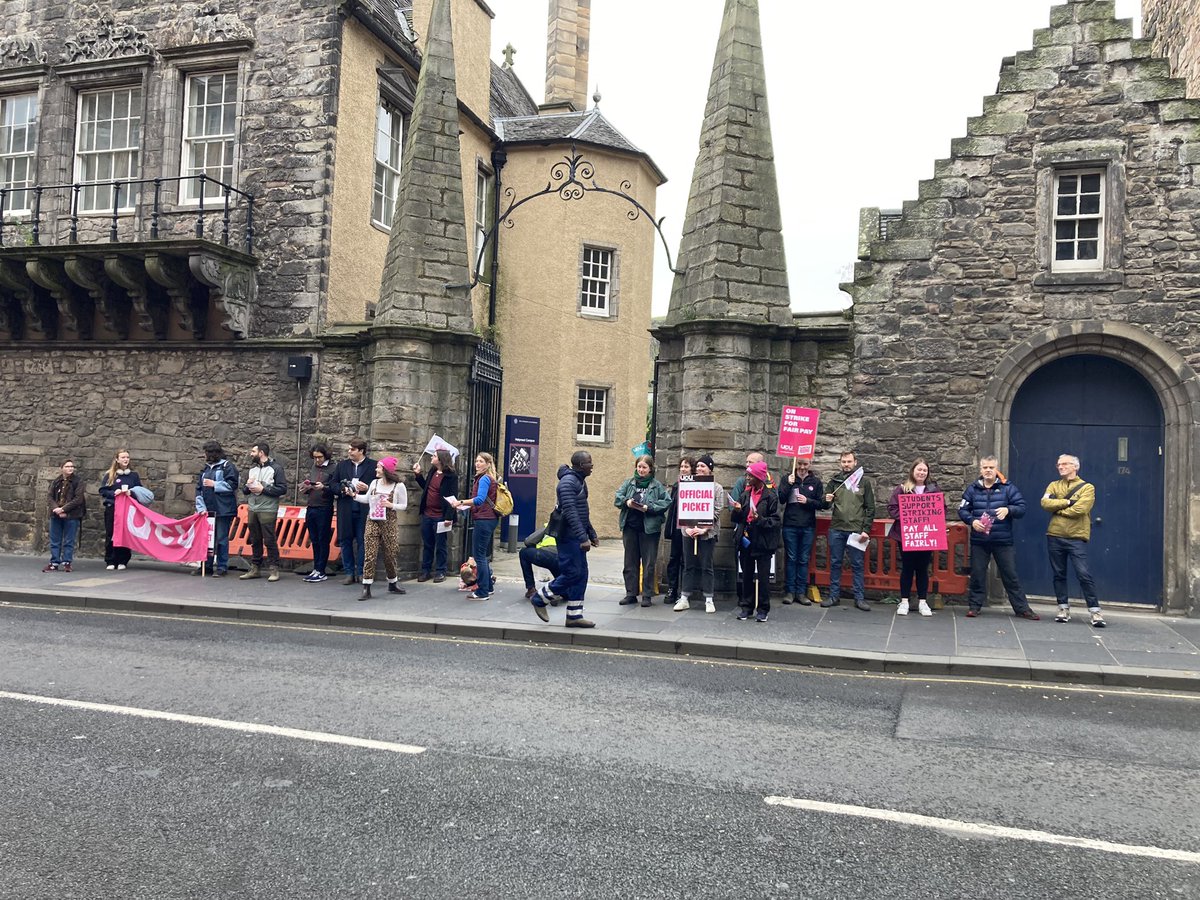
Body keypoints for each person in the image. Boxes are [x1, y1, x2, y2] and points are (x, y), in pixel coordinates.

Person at [958, 455, 1040, 620]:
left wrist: (1009, 510)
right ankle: (974, 607)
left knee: (1010, 575)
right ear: (980, 469)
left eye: (991, 468)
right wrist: (972, 521)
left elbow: (1022, 507)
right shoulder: (972, 489)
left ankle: (1022, 609)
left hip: (1003, 541)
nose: (988, 470)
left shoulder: (1008, 488)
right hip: (979, 541)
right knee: (977, 574)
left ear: (996, 469)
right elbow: (962, 510)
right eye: (985, 468)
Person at [532, 451, 600, 626]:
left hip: (576, 536)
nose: (592, 466)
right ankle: (540, 598)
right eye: (589, 463)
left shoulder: (579, 481)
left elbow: (582, 512)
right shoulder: (568, 483)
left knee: (582, 574)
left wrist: (590, 533)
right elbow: (570, 512)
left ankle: (574, 616)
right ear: (579, 465)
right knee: (572, 573)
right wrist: (581, 537)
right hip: (568, 538)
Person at [1040, 454, 1106, 628]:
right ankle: (1063, 608)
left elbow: (1080, 509)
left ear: (1075, 467)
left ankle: (1094, 610)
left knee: (1083, 574)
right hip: (1054, 535)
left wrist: (1059, 509)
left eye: (1064, 464)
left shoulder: (1087, 488)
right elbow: (1045, 503)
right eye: (1058, 464)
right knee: (1059, 574)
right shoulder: (1054, 485)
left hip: (1076, 537)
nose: (1060, 467)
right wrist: (1068, 501)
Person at [614, 454, 672, 607]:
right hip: (630, 527)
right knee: (630, 562)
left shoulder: (656, 485)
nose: (641, 470)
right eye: (639, 466)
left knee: (648, 563)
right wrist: (626, 501)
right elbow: (617, 497)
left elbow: (666, 501)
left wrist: (650, 507)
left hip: (649, 530)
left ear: (650, 469)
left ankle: (647, 595)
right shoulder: (629, 483)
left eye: (644, 467)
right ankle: (630, 593)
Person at [821, 450, 875, 611]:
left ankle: (859, 598)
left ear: (855, 462)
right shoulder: (835, 481)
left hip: (856, 530)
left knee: (857, 564)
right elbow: (824, 504)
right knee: (835, 563)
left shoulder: (864, 482)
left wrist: (866, 529)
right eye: (844, 461)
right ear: (840, 463)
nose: (846, 464)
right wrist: (826, 500)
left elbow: (870, 508)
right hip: (836, 528)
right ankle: (833, 596)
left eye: (849, 461)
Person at [886, 458, 941, 617]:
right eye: (919, 470)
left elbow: (940, 509)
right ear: (913, 471)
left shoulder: (934, 489)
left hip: (926, 535)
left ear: (928, 472)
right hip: (906, 536)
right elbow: (892, 508)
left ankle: (923, 601)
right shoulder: (902, 489)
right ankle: (904, 601)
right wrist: (910, 517)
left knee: (923, 569)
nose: (922, 473)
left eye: (924, 470)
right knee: (908, 568)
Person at [731, 460, 782, 622]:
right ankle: (746, 606)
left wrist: (759, 519)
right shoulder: (745, 494)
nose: (747, 478)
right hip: (747, 540)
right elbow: (738, 519)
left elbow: (776, 521)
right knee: (746, 575)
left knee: (763, 577)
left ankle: (763, 609)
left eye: (750, 475)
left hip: (763, 542)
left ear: (758, 477)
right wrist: (738, 510)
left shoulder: (771, 496)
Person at [674, 454, 725, 614]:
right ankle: (684, 598)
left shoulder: (717, 487)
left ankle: (709, 599)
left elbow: (717, 509)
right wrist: (686, 528)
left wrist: (704, 528)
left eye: (703, 466)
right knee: (688, 565)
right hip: (688, 533)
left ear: (710, 468)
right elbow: (682, 508)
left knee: (706, 566)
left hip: (707, 534)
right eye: (698, 466)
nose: (699, 469)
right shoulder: (687, 484)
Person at [355, 456, 408, 600]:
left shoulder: (399, 486)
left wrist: (392, 505)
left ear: (386, 470)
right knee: (370, 553)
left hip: (389, 522)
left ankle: (392, 581)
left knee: (390, 554)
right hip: (372, 520)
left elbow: (404, 505)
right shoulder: (374, 483)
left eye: (379, 467)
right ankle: (366, 587)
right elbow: (366, 499)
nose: (376, 469)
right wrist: (354, 495)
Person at [455, 452, 500, 601]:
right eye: (476, 461)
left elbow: (480, 500)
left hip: (484, 519)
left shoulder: (485, 479)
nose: (477, 464)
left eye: (481, 461)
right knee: (483, 556)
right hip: (488, 518)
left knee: (479, 556)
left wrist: (461, 502)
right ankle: (489, 587)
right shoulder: (488, 478)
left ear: (488, 464)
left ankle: (482, 592)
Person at [239, 441, 287, 582]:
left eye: (253, 451)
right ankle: (255, 568)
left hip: (268, 509)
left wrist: (263, 489)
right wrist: (248, 486)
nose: (251, 454)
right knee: (255, 539)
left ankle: (274, 568)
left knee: (269, 539)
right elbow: (244, 490)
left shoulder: (276, 469)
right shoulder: (252, 470)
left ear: (261, 453)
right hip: (253, 508)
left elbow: (282, 489)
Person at [780, 457, 825, 605]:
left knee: (803, 559)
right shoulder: (788, 478)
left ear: (810, 464)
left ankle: (801, 592)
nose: (802, 467)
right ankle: (790, 592)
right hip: (790, 525)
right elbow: (781, 498)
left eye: (805, 464)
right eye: (799, 464)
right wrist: (788, 484)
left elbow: (821, 504)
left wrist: (808, 501)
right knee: (791, 558)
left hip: (808, 526)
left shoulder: (816, 482)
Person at [334, 439, 377, 585]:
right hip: (346, 508)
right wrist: (342, 489)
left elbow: (381, 485)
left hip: (364, 510)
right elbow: (333, 484)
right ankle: (349, 573)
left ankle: (361, 572)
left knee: (363, 541)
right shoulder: (342, 465)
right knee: (345, 541)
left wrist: (368, 488)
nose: (349, 452)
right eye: (349, 449)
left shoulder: (373, 465)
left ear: (361, 451)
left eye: (352, 449)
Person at [194, 441, 239, 577]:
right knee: (207, 539)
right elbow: (199, 489)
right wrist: (200, 507)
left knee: (221, 539)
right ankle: (206, 566)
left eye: (208, 452)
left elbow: (233, 485)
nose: (206, 455)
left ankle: (221, 566)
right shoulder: (205, 469)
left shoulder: (227, 466)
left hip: (223, 509)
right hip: (208, 509)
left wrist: (215, 484)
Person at [413, 449, 459, 583]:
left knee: (441, 544)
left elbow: (452, 498)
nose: (431, 458)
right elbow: (426, 487)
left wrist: (448, 517)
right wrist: (418, 475)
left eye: (434, 456)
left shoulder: (451, 476)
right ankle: (426, 570)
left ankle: (440, 571)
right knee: (427, 544)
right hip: (428, 513)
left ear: (441, 459)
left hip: (441, 515)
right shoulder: (433, 472)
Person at [98, 449, 143, 571]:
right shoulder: (110, 474)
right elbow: (103, 490)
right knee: (111, 533)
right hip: (112, 508)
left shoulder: (134, 476)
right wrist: (114, 493)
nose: (125, 459)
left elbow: (140, 491)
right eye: (123, 457)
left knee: (125, 534)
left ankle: (123, 560)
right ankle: (111, 560)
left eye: (127, 457)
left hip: (128, 510)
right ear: (117, 459)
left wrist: (130, 492)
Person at [299, 443, 335, 583]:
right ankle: (316, 568)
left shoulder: (333, 468)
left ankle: (321, 570)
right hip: (311, 505)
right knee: (314, 539)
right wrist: (307, 487)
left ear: (325, 455)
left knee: (322, 539)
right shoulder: (314, 467)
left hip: (324, 507)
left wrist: (324, 487)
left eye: (319, 457)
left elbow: (335, 487)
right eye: (315, 457)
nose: (317, 460)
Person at [662, 457, 695, 606]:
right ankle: (672, 588)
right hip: (677, 527)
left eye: (686, 467)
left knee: (686, 560)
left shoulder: (696, 485)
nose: (683, 469)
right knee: (674, 558)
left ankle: (684, 591)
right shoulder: (676, 485)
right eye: (681, 466)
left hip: (689, 527)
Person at [44, 459, 85, 573]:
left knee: (69, 540)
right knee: (55, 540)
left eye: (72, 466)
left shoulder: (78, 481)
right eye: (67, 466)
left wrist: (63, 509)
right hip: (56, 514)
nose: (70, 468)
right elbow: (50, 497)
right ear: (62, 468)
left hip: (72, 514)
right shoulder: (56, 481)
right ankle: (54, 562)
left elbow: (78, 499)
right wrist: (56, 509)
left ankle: (67, 562)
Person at [520, 516, 561, 604]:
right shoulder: (573, 528)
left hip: (545, 556)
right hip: (563, 560)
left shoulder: (549, 526)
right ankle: (558, 593)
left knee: (523, 552)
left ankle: (531, 588)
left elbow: (528, 541)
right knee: (563, 581)